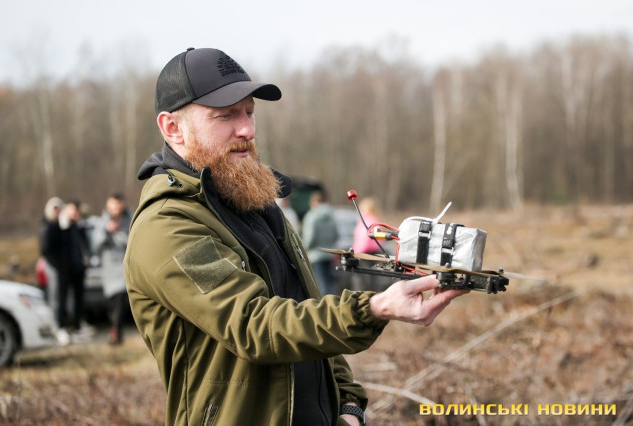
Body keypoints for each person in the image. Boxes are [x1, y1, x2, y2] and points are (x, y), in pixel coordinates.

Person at [124, 47, 467, 426]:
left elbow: (306, 308)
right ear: (173, 128)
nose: (247, 130)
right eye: (225, 115)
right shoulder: (167, 225)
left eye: (249, 112)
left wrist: (348, 405)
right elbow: (254, 325)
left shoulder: (257, 204)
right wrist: (374, 308)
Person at [44, 200, 90, 339]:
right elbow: (47, 250)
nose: (75, 213)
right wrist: (60, 266)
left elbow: (85, 246)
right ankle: (60, 327)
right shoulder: (56, 226)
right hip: (63, 271)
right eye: (72, 210)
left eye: (77, 210)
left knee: (78, 300)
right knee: (61, 300)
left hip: (78, 269)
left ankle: (77, 327)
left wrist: (85, 261)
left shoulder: (79, 226)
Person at [92, 193, 132, 344]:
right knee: (114, 302)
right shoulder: (102, 222)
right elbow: (95, 244)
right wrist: (107, 230)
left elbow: (134, 240)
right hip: (109, 270)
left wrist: (120, 236)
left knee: (122, 299)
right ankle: (115, 330)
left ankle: (117, 332)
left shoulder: (131, 219)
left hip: (126, 266)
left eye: (118, 204)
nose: (116, 208)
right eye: (113, 205)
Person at [301, 189, 340, 295]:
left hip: (315, 256)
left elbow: (310, 238)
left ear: (314, 202)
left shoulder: (311, 216)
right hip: (329, 255)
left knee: (320, 286)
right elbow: (336, 235)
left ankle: (325, 305)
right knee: (330, 284)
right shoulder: (332, 215)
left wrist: (303, 249)